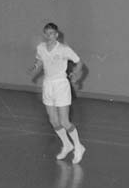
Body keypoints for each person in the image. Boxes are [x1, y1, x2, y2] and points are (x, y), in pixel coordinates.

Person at [29, 22, 86, 164]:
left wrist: (76, 75)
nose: (49, 36)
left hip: (61, 85)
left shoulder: (64, 49)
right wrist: (34, 68)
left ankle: (78, 147)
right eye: (47, 33)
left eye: (52, 33)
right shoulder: (41, 48)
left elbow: (79, 62)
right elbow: (39, 60)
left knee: (64, 121)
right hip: (48, 85)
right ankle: (67, 145)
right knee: (53, 120)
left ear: (57, 35)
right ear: (44, 34)